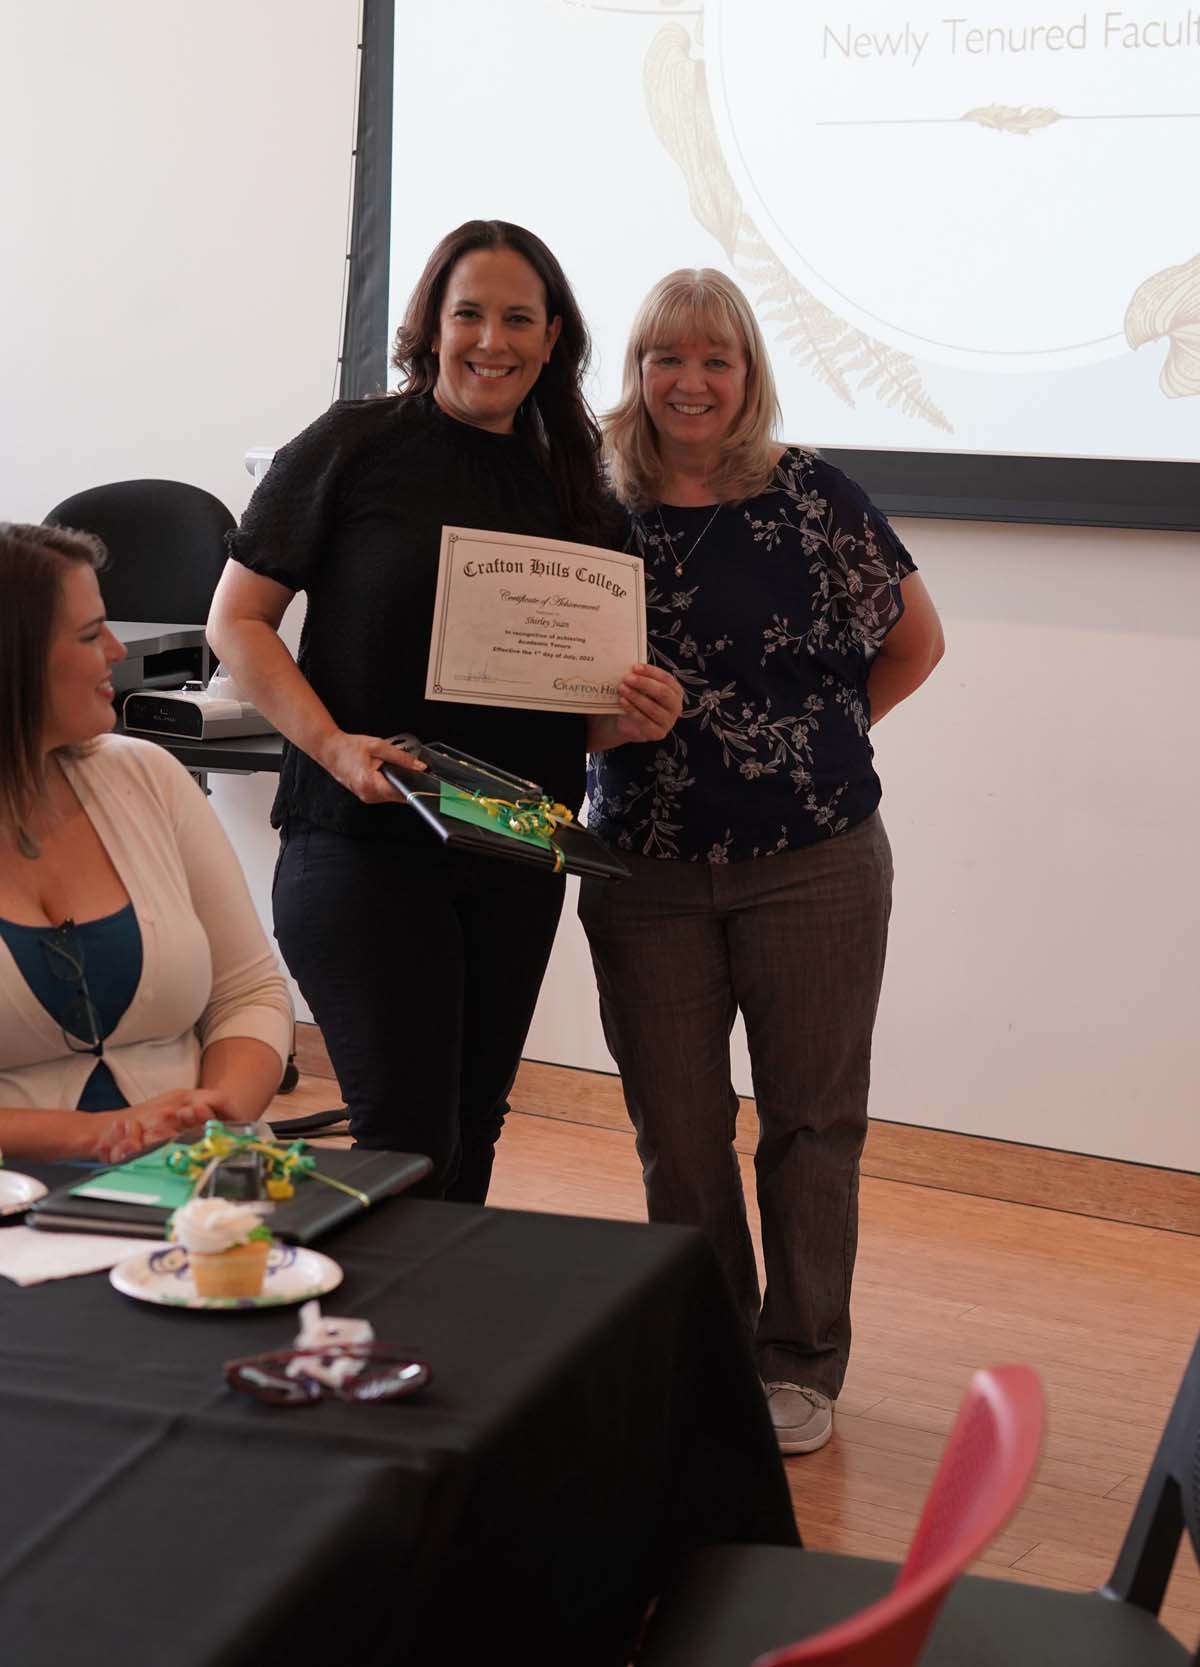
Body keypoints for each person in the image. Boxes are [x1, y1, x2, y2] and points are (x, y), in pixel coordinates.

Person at [206, 220, 681, 1200]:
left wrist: (628, 715)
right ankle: (358, 1309)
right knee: (408, 1139)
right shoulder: (353, 444)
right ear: (431, 325)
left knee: (472, 1124)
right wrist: (335, 747)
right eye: (469, 314)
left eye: (519, 319)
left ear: (553, 338)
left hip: (516, 843)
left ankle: (444, 1308)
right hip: (362, 840)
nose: (491, 341)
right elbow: (238, 622)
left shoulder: (578, 490)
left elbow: (562, 707)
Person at [579, 270, 945, 1454]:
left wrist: (811, 746)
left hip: (816, 861)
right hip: (643, 865)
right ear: (636, 369)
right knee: (677, 1127)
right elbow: (539, 680)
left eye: (715, 359)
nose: (689, 381)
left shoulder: (813, 494)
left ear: (748, 373)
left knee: (812, 1121)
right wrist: (600, 727)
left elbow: (917, 642)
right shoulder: (589, 505)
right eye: (666, 357)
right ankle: (710, 1345)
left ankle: (800, 1361)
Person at [0, 523, 294, 1165]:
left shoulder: (147, 776)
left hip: (194, 1183)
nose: (115, 650)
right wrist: (99, 1135)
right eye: (89, 635)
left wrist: (217, 1117)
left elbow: (248, 994)